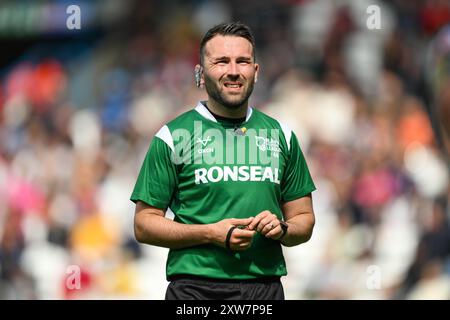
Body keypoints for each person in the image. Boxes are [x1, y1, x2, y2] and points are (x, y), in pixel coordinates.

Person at [130, 21, 316, 300]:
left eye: (242, 61)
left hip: (264, 289)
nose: (233, 71)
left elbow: (304, 220)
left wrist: (282, 229)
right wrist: (210, 233)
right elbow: (144, 224)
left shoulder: (282, 135)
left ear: (256, 71)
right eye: (221, 61)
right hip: (194, 289)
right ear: (201, 74)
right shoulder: (173, 136)